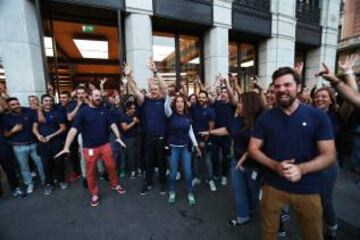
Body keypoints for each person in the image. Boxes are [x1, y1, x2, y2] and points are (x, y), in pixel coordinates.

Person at [248, 67, 336, 240]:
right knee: (267, 233)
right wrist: (274, 165)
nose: (281, 89)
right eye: (277, 86)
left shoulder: (317, 116)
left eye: (287, 84)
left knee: (313, 235)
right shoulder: (265, 117)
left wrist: (301, 169)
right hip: (272, 186)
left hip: (308, 188)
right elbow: (253, 149)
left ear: (298, 87)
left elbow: (329, 155)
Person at [200, 92, 265, 225]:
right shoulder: (237, 118)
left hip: (254, 165)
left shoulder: (261, 121)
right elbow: (227, 130)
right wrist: (210, 132)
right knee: (238, 189)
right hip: (236, 161)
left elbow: (262, 143)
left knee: (253, 191)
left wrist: (247, 155)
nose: (238, 104)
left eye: (241, 102)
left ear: (249, 104)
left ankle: (252, 209)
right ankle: (243, 215)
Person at [55, 89, 126, 207]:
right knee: (91, 171)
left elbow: (112, 124)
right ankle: (94, 194)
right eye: (96, 95)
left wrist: (118, 137)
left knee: (111, 166)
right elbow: (73, 129)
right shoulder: (83, 111)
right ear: (90, 97)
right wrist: (66, 146)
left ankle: (114, 184)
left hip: (105, 145)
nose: (98, 97)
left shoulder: (105, 110)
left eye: (99, 96)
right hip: (89, 148)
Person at [128, 60, 168, 196]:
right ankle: (148, 182)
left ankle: (163, 183)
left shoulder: (164, 101)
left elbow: (166, 88)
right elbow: (134, 90)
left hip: (161, 138)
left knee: (162, 163)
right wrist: (128, 77)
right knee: (148, 162)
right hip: (149, 138)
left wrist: (155, 72)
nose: (154, 91)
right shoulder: (145, 101)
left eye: (156, 89)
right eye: (152, 90)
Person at [2, 97, 46, 194]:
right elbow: (5, 134)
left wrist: (38, 107)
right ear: (8, 107)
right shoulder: (6, 118)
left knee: (40, 163)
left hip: (33, 144)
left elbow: (37, 110)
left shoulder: (27, 112)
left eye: (17, 103)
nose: (17, 106)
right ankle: (29, 184)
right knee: (24, 167)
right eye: (13, 104)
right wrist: (13, 130)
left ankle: (46, 181)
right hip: (18, 147)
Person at [165, 93, 201, 205]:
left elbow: (190, 132)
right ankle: (172, 192)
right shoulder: (170, 114)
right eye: (177, 102)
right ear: (174, 104)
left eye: (182, 102)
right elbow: (166, 105)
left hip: (186, 148)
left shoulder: (187, 116)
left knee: (188, 172)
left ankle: (190, 193)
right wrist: (168, 94)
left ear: (185, 104)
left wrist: (196, 146)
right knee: (173, 173)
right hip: (173, 148)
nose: (180, 104)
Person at [33, 94, 67, 196]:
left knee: (59, 162)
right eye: (46, 101)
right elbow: (34, 127)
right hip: (43, 144)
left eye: (50, 101)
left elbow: (63, 128)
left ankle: (61, 180)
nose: (48, 102)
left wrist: (51, 136)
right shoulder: (38, 114)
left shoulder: (58, 113)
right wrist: (38, 135)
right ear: (42, 102)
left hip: (55, 142)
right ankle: (49, 184)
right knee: (46, 164)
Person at [210, 76, 236, 185]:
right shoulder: (217, 103)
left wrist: (227, 83)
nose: (224, 93)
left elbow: (233, 97)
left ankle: (224, 175)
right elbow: (210, 95)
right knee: (214, 157)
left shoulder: (232, 105)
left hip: (226, 135)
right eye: (223, 92)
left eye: (226, 92)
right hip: (215, 135)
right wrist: (216, 82)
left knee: (226, 157)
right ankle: (216, 174)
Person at [190, 90, 217, 191]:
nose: (201, 99)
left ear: (207, 99)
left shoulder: (211, 111)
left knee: (207, 160)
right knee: (196, 159)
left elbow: (211, 129)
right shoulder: (194, 107)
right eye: (199, 97)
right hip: (195, 139)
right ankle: (196, 178)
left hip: (206, 139)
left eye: (203, 97)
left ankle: (210, 179)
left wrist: (204, 141)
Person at [0, 97, 23, 198]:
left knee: (10, 169)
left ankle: (16, 188)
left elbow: (5, 106)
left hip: (3, 146)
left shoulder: (2, 115)